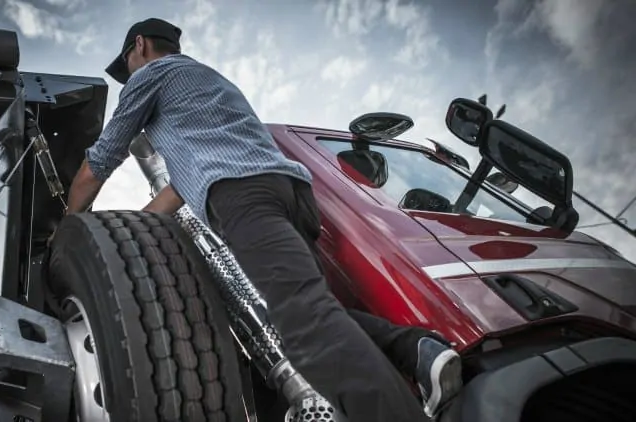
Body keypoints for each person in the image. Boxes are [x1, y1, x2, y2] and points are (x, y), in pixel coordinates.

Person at [63, 17, 463, 421]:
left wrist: (69, 229)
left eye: (127, 62)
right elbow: (179, 191)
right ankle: (417, 351)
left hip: (243, 197)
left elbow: (100, 161)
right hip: (290, 194)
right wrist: (122, 236)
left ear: (140, 45)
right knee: (304, 309)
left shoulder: (152, 74)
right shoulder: (209, 83)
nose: (128, 72)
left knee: (305, 330)